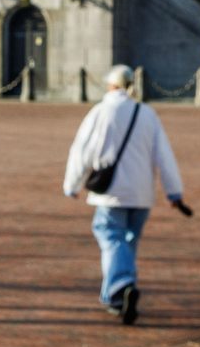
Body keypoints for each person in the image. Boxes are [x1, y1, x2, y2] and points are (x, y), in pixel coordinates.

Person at [61, 64, 190, 326]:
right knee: (127, 241)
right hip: (142, 193)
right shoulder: (146, 113)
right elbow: (164, 156)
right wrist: (174, 192)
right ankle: (115, 294)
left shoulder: (100, 112)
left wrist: (72, 184)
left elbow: (81, 151)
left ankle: (121, 287)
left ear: (110, 85)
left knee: (110, 236)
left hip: (112, 192)